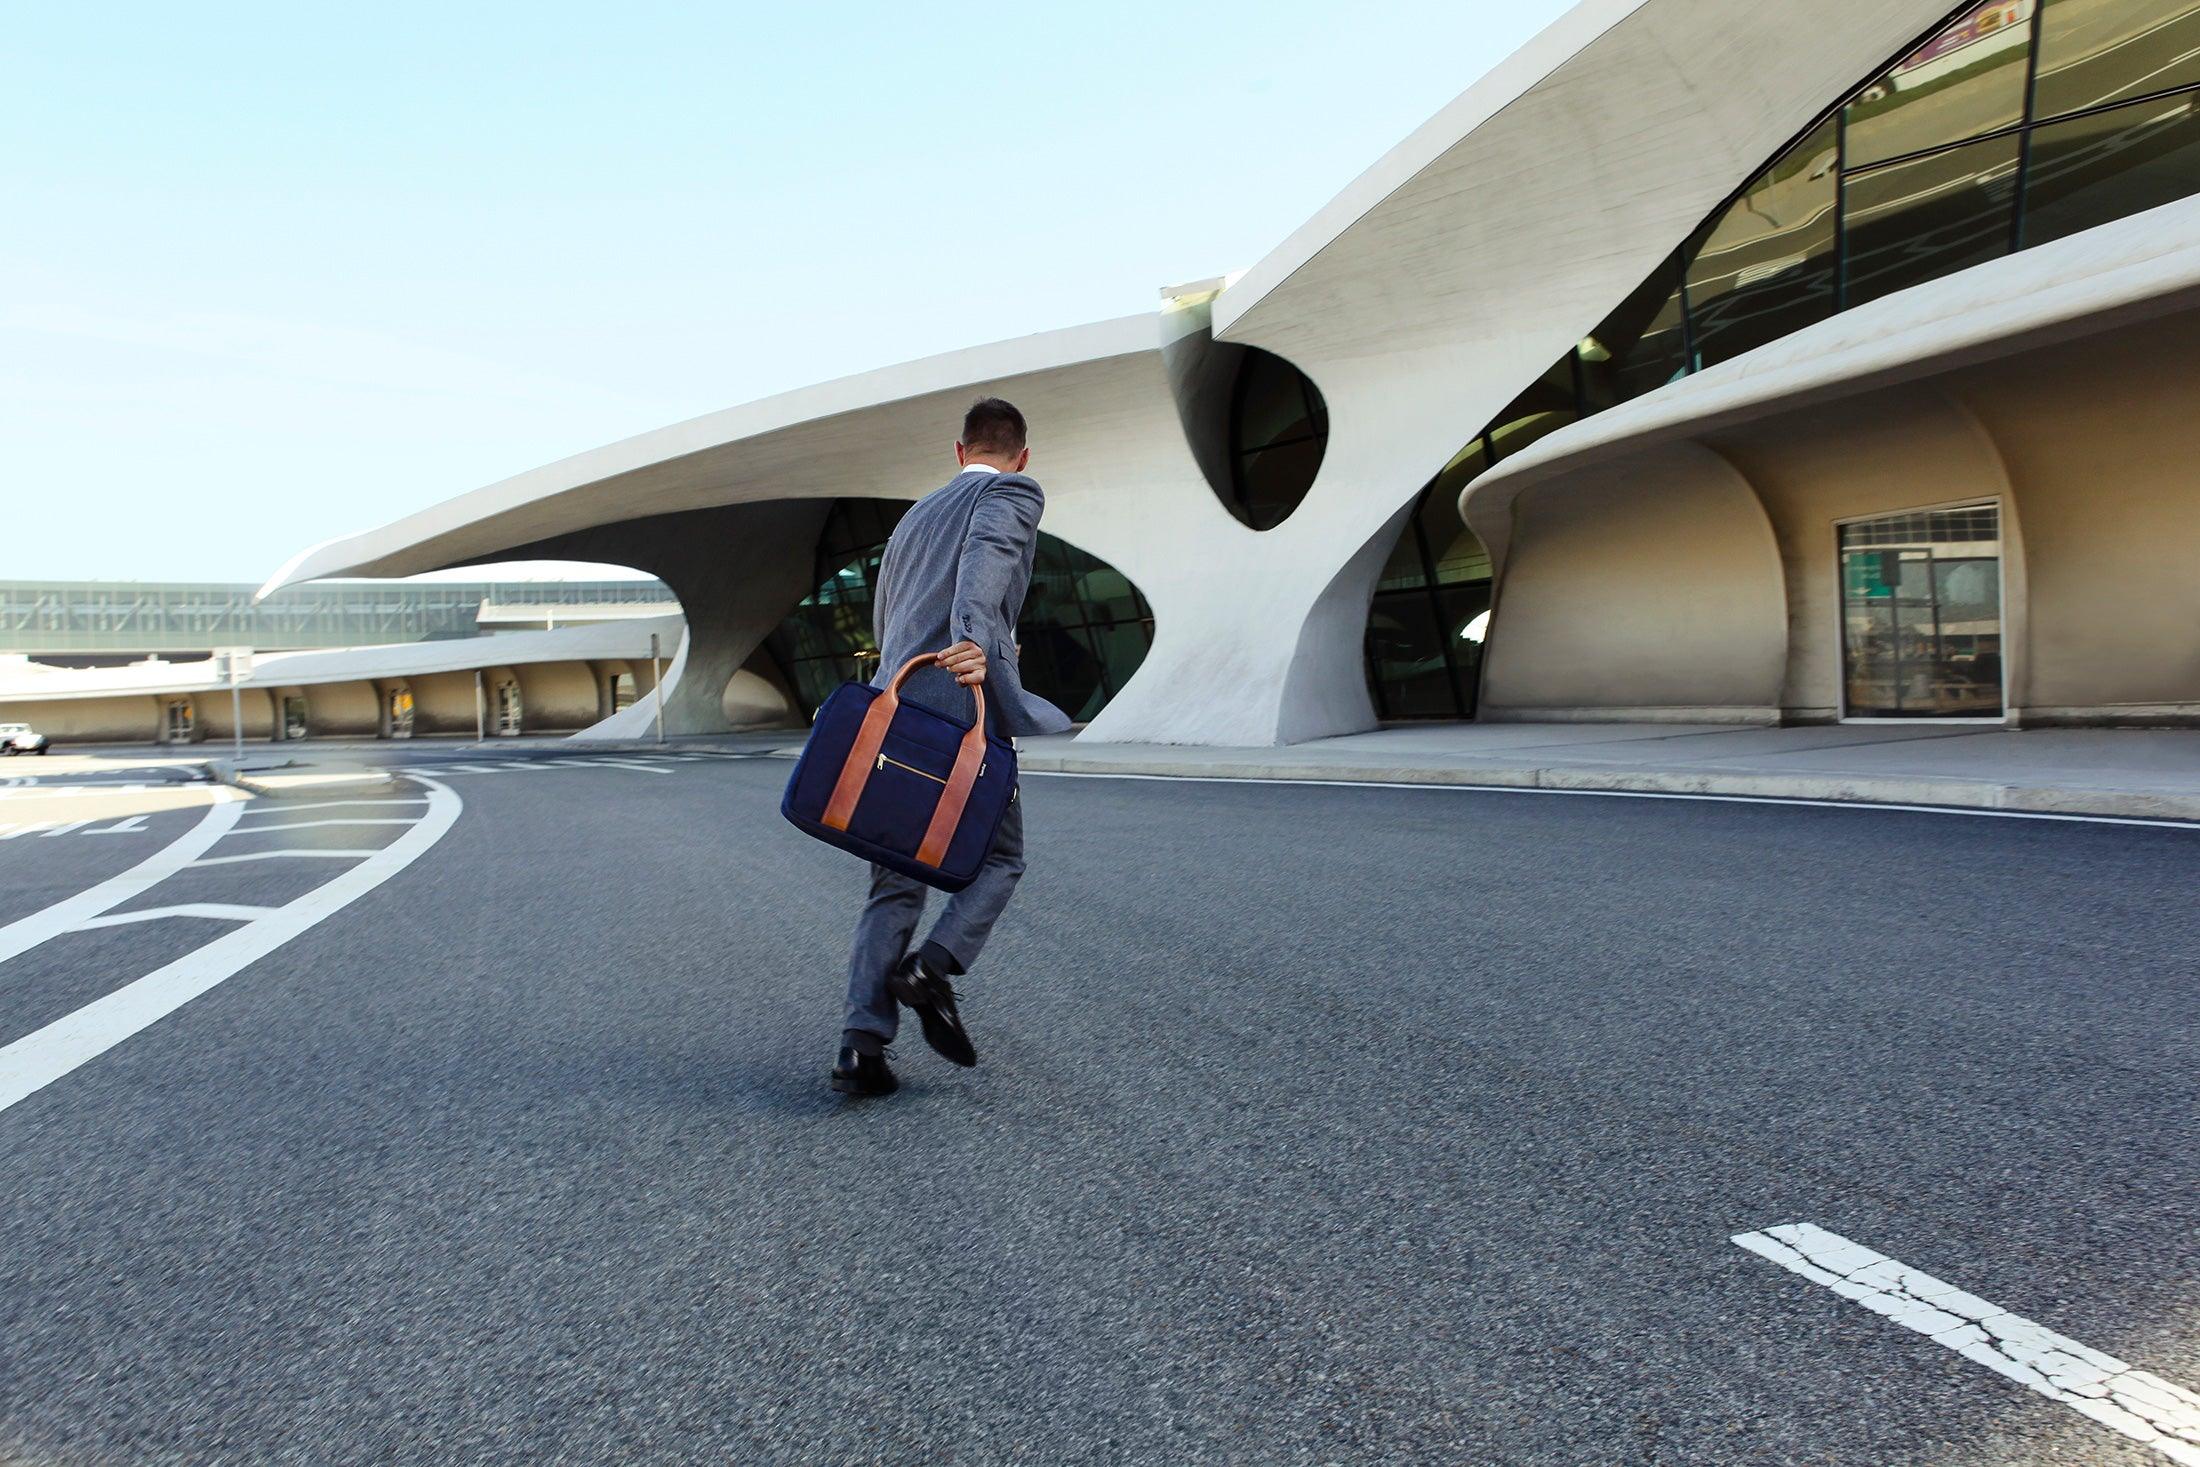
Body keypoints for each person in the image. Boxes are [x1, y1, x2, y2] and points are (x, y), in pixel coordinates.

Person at [831, 398, 1072, 1097]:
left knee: (896, 880)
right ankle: (930, 970)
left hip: (896, 705)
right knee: (1001, 857)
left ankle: (860, 1047)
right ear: (1020, 455)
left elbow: (889, 616)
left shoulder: (913, 517)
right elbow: (987, 558)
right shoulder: (1014, 490)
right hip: (960, 709)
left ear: (957, 451)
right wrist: (972, 641)